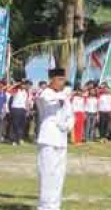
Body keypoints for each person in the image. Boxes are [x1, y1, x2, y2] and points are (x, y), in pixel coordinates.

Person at [36, 68, 74, 210]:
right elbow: (46, 99)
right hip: (48, 139)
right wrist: (64, 95)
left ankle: (55, 206)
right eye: (59, 79)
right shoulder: (45, 93)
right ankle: (45, 206)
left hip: (61, 139)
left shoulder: (64, 96)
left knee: (59, 175)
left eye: (63, 79)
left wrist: (68, 125)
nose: (62, 82)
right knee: (47, 173)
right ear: (51, 79)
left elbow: (70, 115)